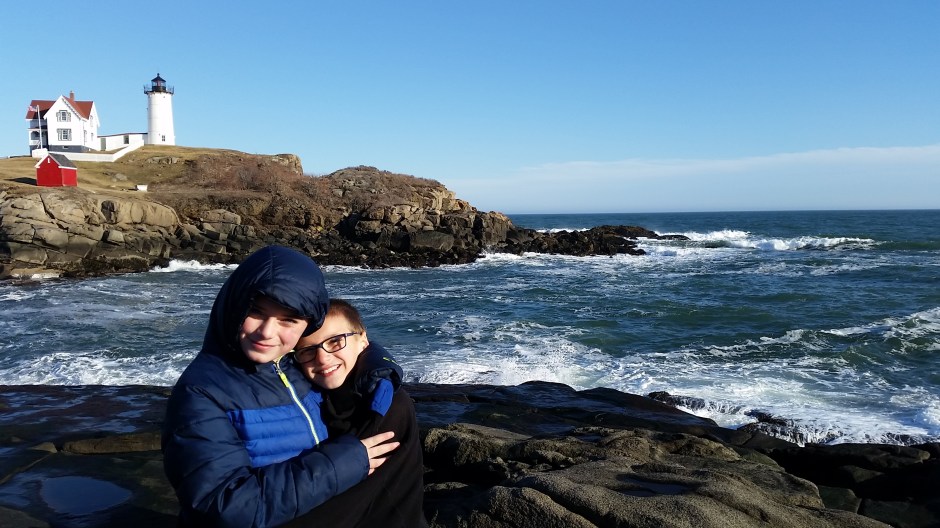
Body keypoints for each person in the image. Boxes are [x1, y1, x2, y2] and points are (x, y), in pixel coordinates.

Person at [162, 246, 400, 527]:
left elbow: (345, 336)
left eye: (288, 319)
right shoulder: (200, 393)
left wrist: (377, 364)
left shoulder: (293, 363)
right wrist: (339, 465)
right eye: (256, 312)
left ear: (308, 325)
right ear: (235, 303)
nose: (266, 332)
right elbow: (225, 505)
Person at [283, 299, 427, 527]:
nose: (322, 357)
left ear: (362, 340)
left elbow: (348, 503)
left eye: (335, 342)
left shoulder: (386, 404)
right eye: (308, 350)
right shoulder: (313, 400)